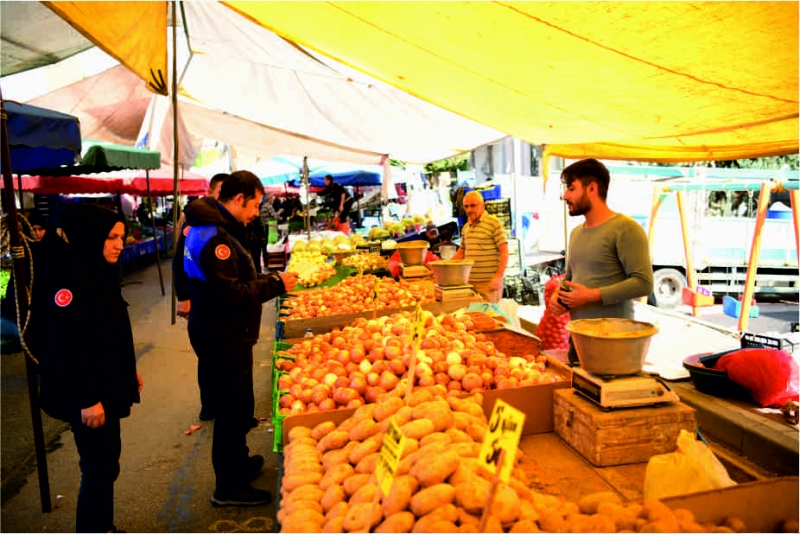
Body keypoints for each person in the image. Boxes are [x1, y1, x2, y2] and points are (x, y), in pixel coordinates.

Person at [183, 170, 298, 507]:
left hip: (221, 329)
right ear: (238, 199)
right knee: (232, 410)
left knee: (239, 404)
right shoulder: (215, 237)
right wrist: (276, 284)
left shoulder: (210, 228)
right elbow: (229, 293)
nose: (254, 213)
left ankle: (239, 462)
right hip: (222, 332)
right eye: (254, 206)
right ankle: (228, 486)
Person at [25, 204, 142, 533]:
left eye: (121, 236)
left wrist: (127, 370)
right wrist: (87, 399)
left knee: (106, 463)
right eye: (110, 237)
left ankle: (102, 524)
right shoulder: (70, 280)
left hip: (105, 383)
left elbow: (111, 331)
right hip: (88, 394)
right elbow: (67, 348)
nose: (119, 244)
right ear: (90, 237)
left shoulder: (97, 271)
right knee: (98, 467)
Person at [546, 158, 654, 365]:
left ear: (592, 188)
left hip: (613, 344)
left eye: (571, 188)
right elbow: (570, 279)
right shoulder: (576, 233)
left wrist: (590, 295)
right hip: (578, 342)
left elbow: (644, 283)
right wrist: (560, 296)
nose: (564, 196)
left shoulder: (626, 229)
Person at [173, 173, 229, 421]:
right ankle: (210, 405)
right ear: (211, 192)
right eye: (221, 193)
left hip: (215, 299)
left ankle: (217, 402)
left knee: (217, 354)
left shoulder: (221, 221)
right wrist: (182, 296)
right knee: (208, 355)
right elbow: (179, 260)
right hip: (201, 298)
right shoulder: (197, 222)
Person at [450, 191, 508, 302]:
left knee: (489, 316)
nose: (469, 210)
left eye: (473, 205)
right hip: (469, 284)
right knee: (473, 317)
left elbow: (504, 251)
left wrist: (498, 277)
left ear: (482, 205)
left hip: (488, 285)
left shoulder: (494, 223)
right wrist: (445, 266)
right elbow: (462, 252)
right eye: (466, 206)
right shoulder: (466, 227)